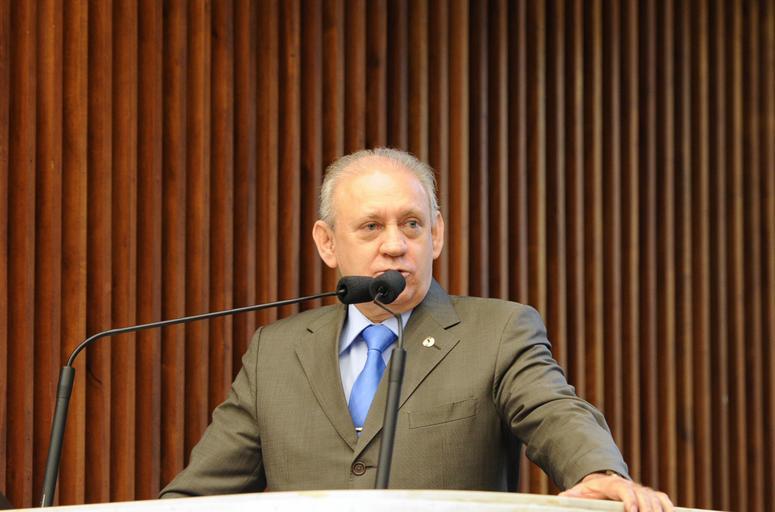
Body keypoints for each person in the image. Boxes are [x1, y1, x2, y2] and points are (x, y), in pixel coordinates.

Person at [161, 148, 673, 511]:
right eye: (371, 227)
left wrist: (597, 472)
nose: (395, 245)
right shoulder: (276, 352)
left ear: (437, 235)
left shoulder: (497, 332)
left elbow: (554, 411)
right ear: (327, 243)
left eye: (411, 224)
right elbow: (195, 498)